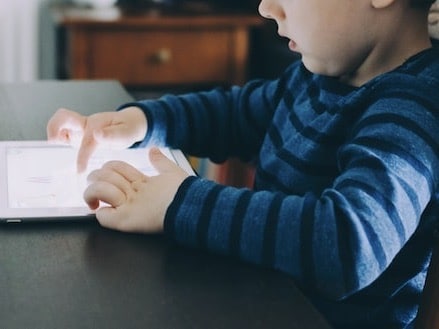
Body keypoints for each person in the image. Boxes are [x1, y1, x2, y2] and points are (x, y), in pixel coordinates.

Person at [47, 0, 439, 328]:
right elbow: (235, 114)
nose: (267, 7)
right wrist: (142, 122)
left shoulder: (410, 111)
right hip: (260, 298)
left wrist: (178, 202)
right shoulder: (319, 75)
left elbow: (350, 245)